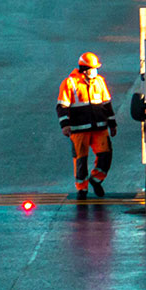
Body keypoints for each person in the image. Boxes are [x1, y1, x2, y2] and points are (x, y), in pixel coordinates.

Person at [56, 52, 117, 200]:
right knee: (80, 160)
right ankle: (81, 189)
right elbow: (61, 106)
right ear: (84, 69)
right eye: (92, 68)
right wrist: (65, 125)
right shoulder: (70, 83)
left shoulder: (100, 81)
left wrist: (112, 124)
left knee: (106, 156)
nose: (95, 71)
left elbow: (106, 104)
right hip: (79, 130)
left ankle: (96, 180)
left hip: (100, 128)